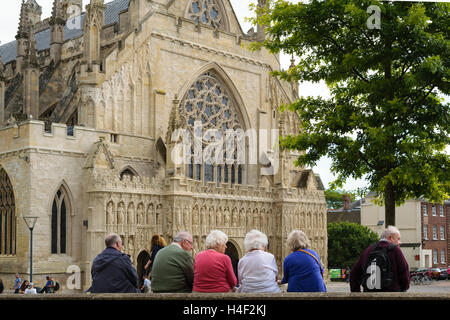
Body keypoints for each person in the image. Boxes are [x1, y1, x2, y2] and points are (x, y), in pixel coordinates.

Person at [350, 226, 410, 292]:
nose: (400, 242)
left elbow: (354, 274)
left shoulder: (368, 250)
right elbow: (404, 271)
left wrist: (356, 293)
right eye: (398, 239)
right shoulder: (395, 250)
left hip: (370, 294)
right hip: (392, 293)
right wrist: (404, 288)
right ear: (390, 238)